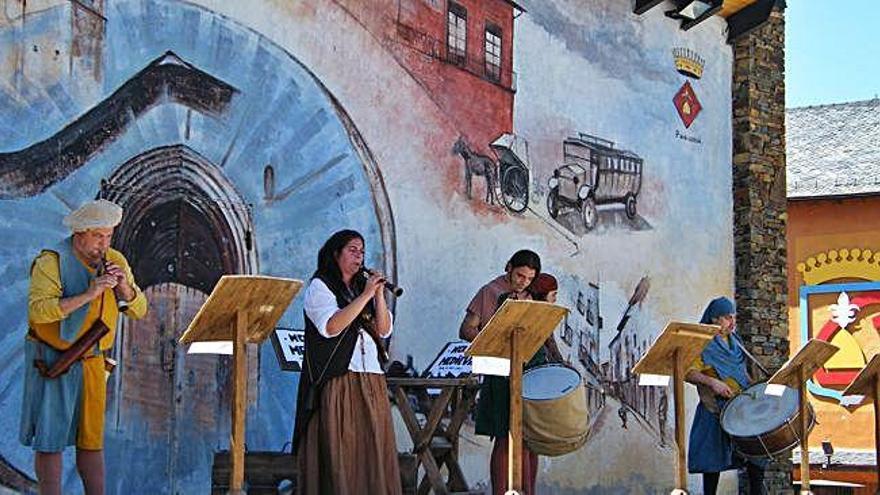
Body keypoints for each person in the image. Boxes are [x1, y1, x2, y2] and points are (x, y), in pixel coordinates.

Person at [20, 199, 148, 495]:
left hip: (93, 361)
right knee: (50, 440)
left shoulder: (117, 260)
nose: (104, 245)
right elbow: (39, 311)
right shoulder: (51, 262)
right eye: (98, 237)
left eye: (108, 236)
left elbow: (139, 309)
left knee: (91, 441)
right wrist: (90, 294)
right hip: (55, 361)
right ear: (80, 235)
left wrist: (124, 289)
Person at [292, 229, 400, 495]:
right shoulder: (321, 286)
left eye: (362, 251)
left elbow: (384, 330)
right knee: (344, 451)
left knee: (372, 448)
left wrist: (377, 295)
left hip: (371, 378)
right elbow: (331, 326)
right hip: (341, 379)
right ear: (335, 253)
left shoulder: (359, 289)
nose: (359, 256)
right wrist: (365, 296)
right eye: (352, 250)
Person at [459, 249, 544, 495]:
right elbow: (466, 329)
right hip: (499, 371)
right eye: (519, 276)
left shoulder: (530, 296)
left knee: (530, 436)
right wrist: (494, 344)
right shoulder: (489, 291)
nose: (523, 282)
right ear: (508, 267)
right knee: (505, 436)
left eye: (529, 279)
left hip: (527, 372)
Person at [685, 296, 765, 495]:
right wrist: (713, 382)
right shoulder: (702, 343)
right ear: (714, 319)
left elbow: (742, 370)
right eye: (727, 318)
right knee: (712, 461)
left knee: (756, 455)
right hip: (715, 408)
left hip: (741, 407)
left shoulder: (735, 341)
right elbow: (688, 371)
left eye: (734, 318)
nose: (733, 322)